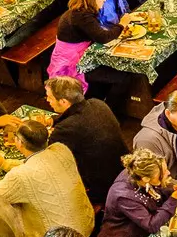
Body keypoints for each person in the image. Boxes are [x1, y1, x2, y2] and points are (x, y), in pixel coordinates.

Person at [44, 77, 128, 209]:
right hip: (123, 168)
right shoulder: (97, 104)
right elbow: (78, 116)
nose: (47, 100)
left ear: (64, 101)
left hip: (100, 188)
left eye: (49, 97)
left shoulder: (65, 129)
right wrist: (52, 120)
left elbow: (49, 158)